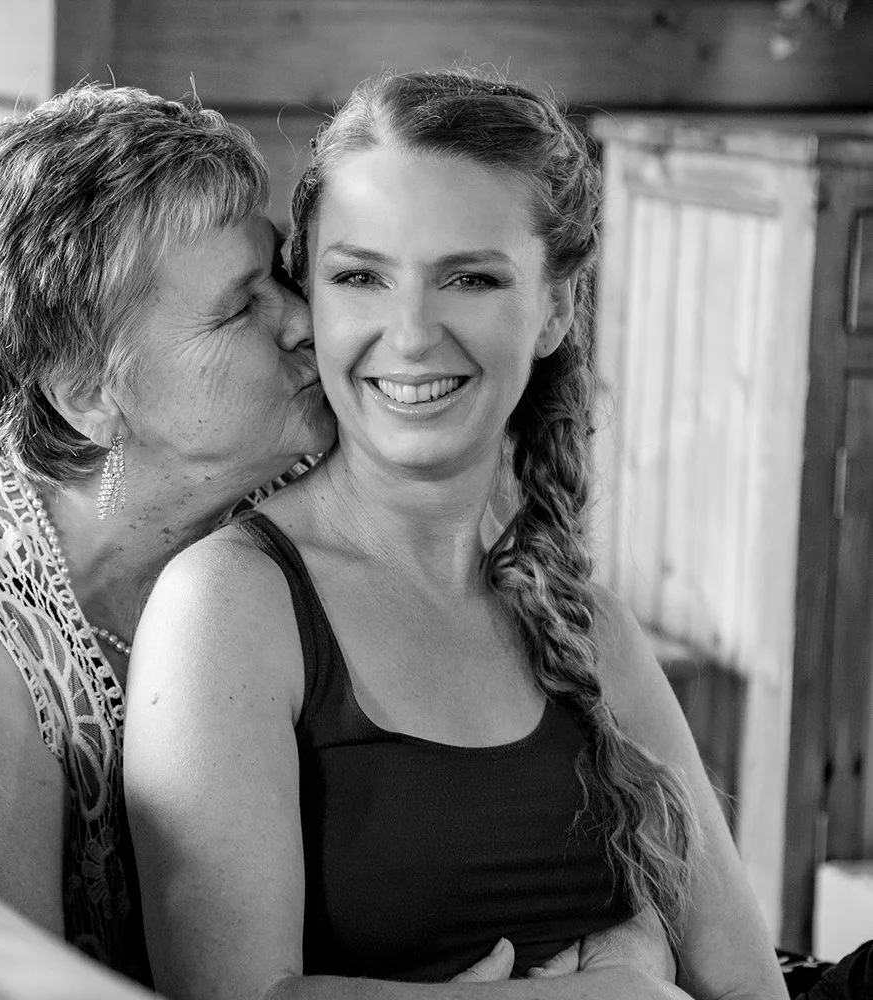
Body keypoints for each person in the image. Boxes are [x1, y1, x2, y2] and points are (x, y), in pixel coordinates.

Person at [122, 70, 789, 999]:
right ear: (309, 297)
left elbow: (751, 987)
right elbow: (229, 997)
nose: (411, 334)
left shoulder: (585, 626)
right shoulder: (232, 604)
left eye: (469, 278)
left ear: (555, 308)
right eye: (360, 277)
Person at [0, 83, 335, 983]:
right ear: (88, 395)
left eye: (281, 276)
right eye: (238, 307)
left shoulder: (291, 466)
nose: (303, 321)